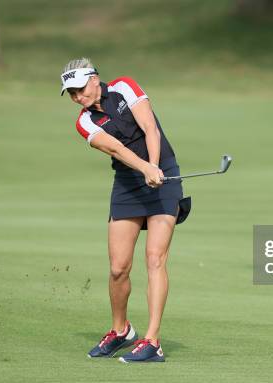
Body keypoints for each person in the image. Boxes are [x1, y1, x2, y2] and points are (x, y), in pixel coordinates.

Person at [60, 58, 190, 363]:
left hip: (164, 173)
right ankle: (121, 330)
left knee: (155, 259)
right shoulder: (85, 122)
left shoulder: (124, 87)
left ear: (94, 79)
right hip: (128, 183)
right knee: (119, 268)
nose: (78, 97)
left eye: (80, 89)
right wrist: (144, 169)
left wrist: (154, 168)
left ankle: (152, 341)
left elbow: (150, 129)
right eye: (71, 94)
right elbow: (117, 150)